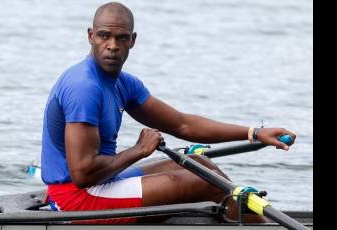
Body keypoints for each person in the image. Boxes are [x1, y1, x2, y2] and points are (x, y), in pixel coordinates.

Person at [40, 2, 296, 224]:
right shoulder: (84, 87)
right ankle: (253, 222)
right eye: (104, 36)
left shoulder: (124, 84)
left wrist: (254, 133)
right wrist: (138, 151)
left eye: (121, 38)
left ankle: (233, 216)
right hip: (74, 199)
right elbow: (83, 174)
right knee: (206, 183)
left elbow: (181, 124)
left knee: (200, 165)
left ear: (133, 40)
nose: (112, 46)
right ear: (90, 36)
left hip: (99, 185)